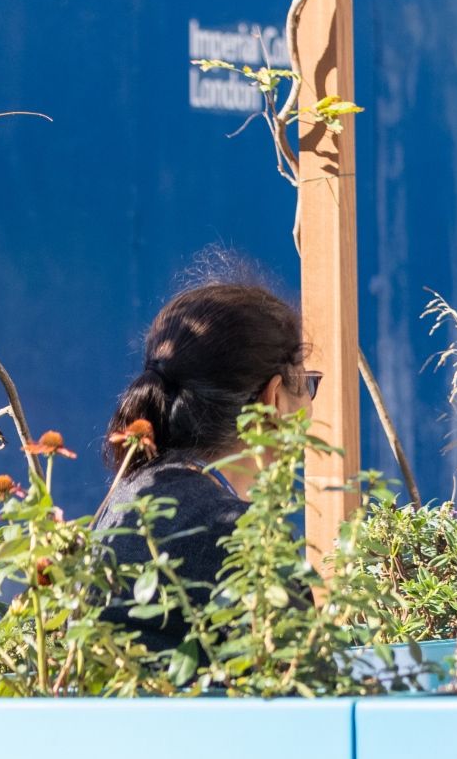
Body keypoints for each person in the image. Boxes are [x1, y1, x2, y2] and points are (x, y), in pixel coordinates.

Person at [94, 272, 316, 636]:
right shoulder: (239, 538)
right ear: (274, 401)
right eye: (308, 384)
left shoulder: (125, 501)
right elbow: (312, 683)